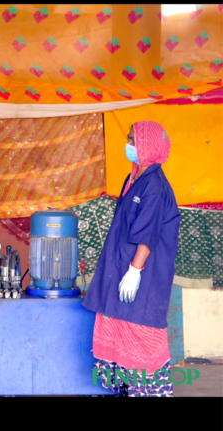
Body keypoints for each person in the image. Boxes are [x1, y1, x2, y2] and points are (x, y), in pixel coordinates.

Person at [83, 120, 181, 397]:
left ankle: (150, 392)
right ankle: (127, 390)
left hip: (142, 275)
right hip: (119, 269)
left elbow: (147, 234)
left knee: (140, 333)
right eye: (128, 139)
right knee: (117, 330)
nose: (128, 145)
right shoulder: (134, 179)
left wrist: (135, 271)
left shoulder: (155, 186)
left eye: (133, 140)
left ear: (149, 146)